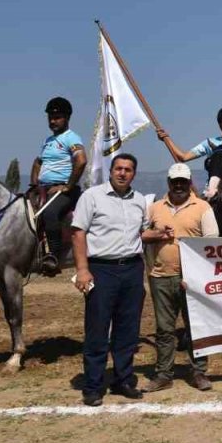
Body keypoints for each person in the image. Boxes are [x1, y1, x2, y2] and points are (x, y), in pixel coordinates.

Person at [70, 153, 148, 406]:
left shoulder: (139, 201)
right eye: (118, 169)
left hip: (133, 269)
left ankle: (123, 380)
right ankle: (93, 385)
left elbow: (142, 233)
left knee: (128, 330)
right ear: (111, 171)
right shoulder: (91, 197)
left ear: (134, 173)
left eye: (128, 169)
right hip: (101, 270)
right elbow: (78, 233)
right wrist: (82, 269)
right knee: (98, 329)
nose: (123, 173)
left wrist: (158, 233)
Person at [141, 163, 219, 393]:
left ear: (189, 183)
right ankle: (164, 374)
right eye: (175, 182)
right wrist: (156, 234)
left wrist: (199, 275)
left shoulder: (203, 207)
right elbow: (142, 235)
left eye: (182, 182)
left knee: (196, 326)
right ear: (168, 183)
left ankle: (199, 371)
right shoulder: (154, 208)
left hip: (192, 279)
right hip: (160, 276)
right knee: (164, 329)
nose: (178, 186)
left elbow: (211, 244)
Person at [29, 96, 87, 277]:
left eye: (57, 117)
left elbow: (81, 161)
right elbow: (38, 162)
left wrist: (68, 186)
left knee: (49, 213)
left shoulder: (72, 138)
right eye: (50, 118)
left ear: (67, 118)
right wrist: (33, 184)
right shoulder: (48, 141)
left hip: (63, 191)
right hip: (44, 189)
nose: (53, 121)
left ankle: (53, 257)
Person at [157, 106, 222, 199]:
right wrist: (166, 138)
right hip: (211, 191)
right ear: (220, 124)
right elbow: (183, 157)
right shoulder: (209, 143)